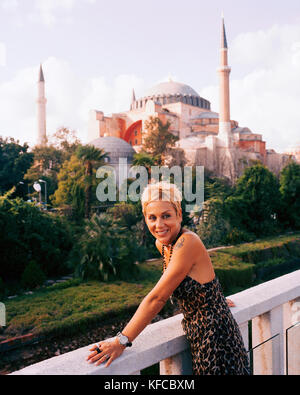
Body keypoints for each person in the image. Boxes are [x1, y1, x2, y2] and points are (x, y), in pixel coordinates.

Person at [86, 181, 250, 375]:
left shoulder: (188, 242)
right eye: (152, 218)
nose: (159, 224)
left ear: (179, 213)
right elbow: (196, 278)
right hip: (199, 335)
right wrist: (214, 298)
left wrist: (121, 341)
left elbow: (158, 298)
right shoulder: (163, 245)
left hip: (217, 339)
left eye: (166, 216)